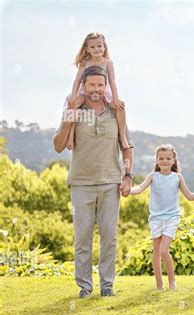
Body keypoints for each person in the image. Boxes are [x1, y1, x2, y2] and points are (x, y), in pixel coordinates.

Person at [53, 65, 134, 298]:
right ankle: (85, 288)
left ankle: (107, 286)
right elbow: (58, 146)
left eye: (100, 84)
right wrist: (70, 119)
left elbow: (126, 146)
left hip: (111, 183)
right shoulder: (73, 110)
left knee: (109, 237)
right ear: (84, 86)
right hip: (81, 182)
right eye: (92, 85)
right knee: (83, 238)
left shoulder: (115, 112)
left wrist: (128, 176)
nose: (96, 89)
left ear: (106, 86)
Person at [130, 144, 194, 291]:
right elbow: (139, 188)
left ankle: (172, 281)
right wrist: (128, 190)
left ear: (174, 160)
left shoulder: (177, 177)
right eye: (161, 158)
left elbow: (189, 195)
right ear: (156, 160)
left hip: (172, 218)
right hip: (155, 219)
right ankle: (159, 284)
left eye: (168, 158)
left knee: (164, 250)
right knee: (156, 251)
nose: (164, 161)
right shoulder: (152, 176)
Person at [65, 32, 129, 150]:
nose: (96, 49)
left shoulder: (108, 63)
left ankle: (123, 137)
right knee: (73, 106)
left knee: (121, 107)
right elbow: (77, 80)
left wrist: (115, 99)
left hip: (105, 91)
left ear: (104, 47)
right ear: (87, 49)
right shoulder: (85, 63)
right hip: (85, 91)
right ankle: (70, 137)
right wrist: (74, 95)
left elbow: (112, 81)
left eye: (99, 46)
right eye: (92, 47)